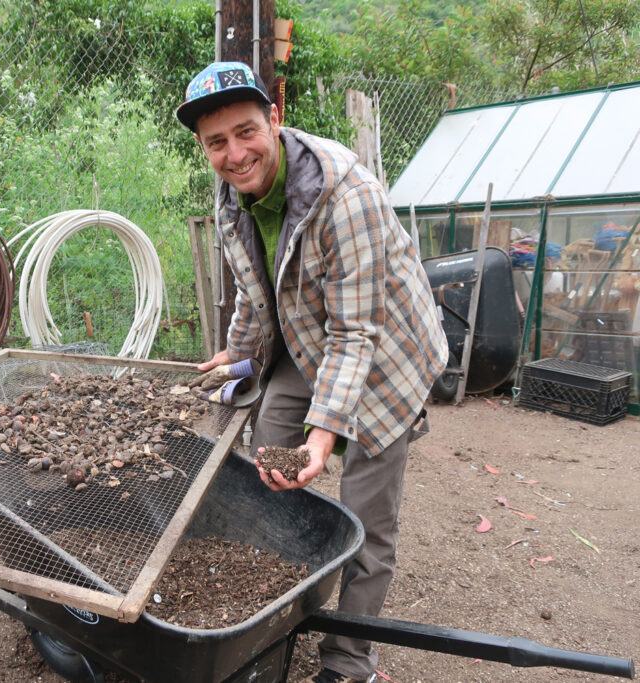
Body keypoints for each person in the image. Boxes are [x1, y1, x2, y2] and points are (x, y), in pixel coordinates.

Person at [176, 62, 448, 683]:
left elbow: (357, 336)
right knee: (268, 448)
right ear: (203, 146)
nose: (235, 154)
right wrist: (236, 354)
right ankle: (278, 596)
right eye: (216, 143)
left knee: (365, 518)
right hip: (311, 340)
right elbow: (255, 291)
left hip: (386, 357)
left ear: (274, 118)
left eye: (246, 132)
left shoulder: (346, 194)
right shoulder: (232, 193)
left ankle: (349, 662)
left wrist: (324, 434)